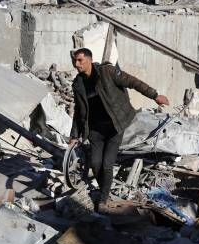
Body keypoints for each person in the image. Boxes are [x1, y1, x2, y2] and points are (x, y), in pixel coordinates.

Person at [68, 48, 169, 210]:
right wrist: (74, 135)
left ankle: (103, 199)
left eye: (80, 60)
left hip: (115, 125)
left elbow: (133, 82)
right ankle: (104, 191)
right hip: (95, 129)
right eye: (75, 61)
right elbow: (79, 111)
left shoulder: (107, 72)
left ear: (89, 59)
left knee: (107, 164)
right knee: (95, 163)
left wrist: (154, 95)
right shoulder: (78, 84)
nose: (76, 64)